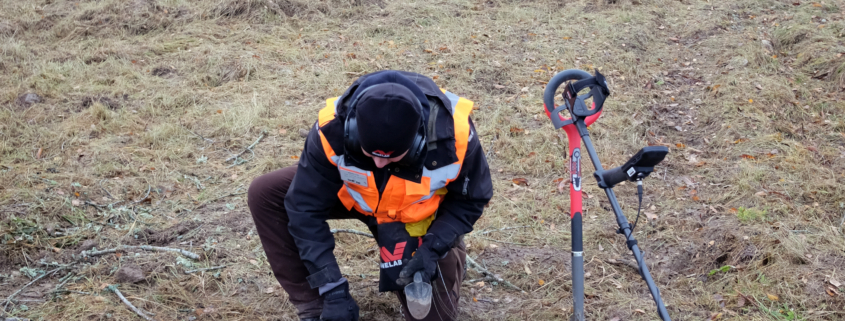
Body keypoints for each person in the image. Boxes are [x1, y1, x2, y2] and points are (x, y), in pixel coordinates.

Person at [247, 70, 493, 321]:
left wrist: (434, 247)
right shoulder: (332, 127)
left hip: (413, 217)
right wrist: (332, 288)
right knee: (266, 192)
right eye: (370, 153)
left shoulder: (455, 136)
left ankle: (446, 258)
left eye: (391, 157)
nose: (378, 164)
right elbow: (303, 208)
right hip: (352, 195)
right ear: (353, 129)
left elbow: (471, 199)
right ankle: (315, 305)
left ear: (418, 139)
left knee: (431, 317)